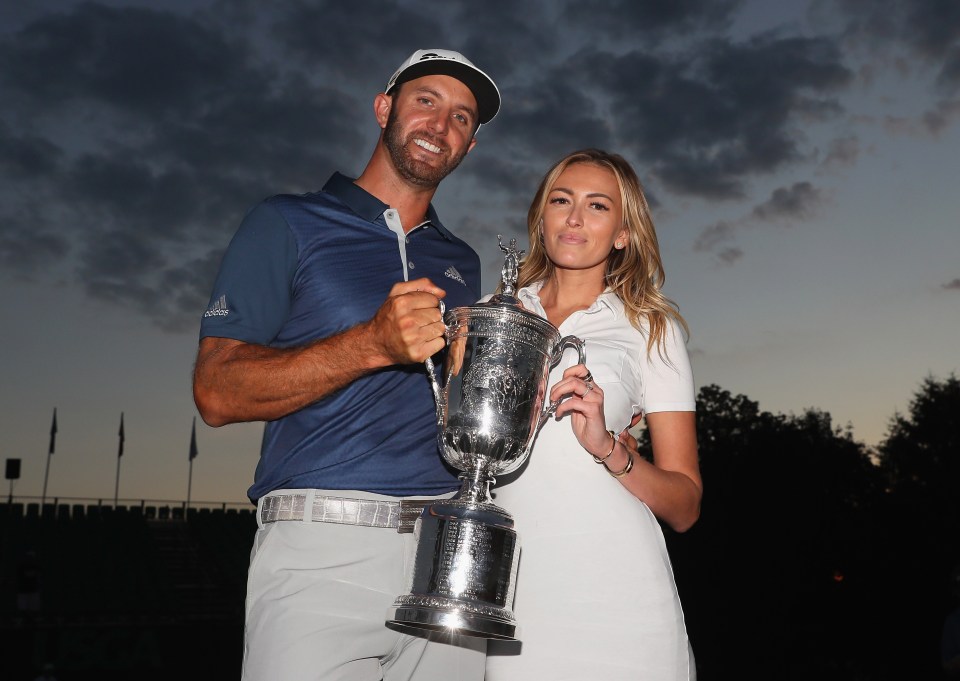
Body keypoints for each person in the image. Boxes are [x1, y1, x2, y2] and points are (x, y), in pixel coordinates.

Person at [192, 49, 500, 681]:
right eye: (426, 102)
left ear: (469, 146)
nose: (442, 125)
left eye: (463, 118)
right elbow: (216, 393)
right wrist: (371, 344)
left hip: (446, 550)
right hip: (320, 548)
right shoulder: (286, 222)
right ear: (384, 109)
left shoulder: (462, 262)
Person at [485, 149, 702, 681]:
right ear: (542, 217)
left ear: (623, 233)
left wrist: (608, 448)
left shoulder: (652, 328)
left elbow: (686, 504)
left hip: (618, 595)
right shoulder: (495, 312)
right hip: (509, 591)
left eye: (597, 205)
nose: (575, 217)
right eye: (562, 200)